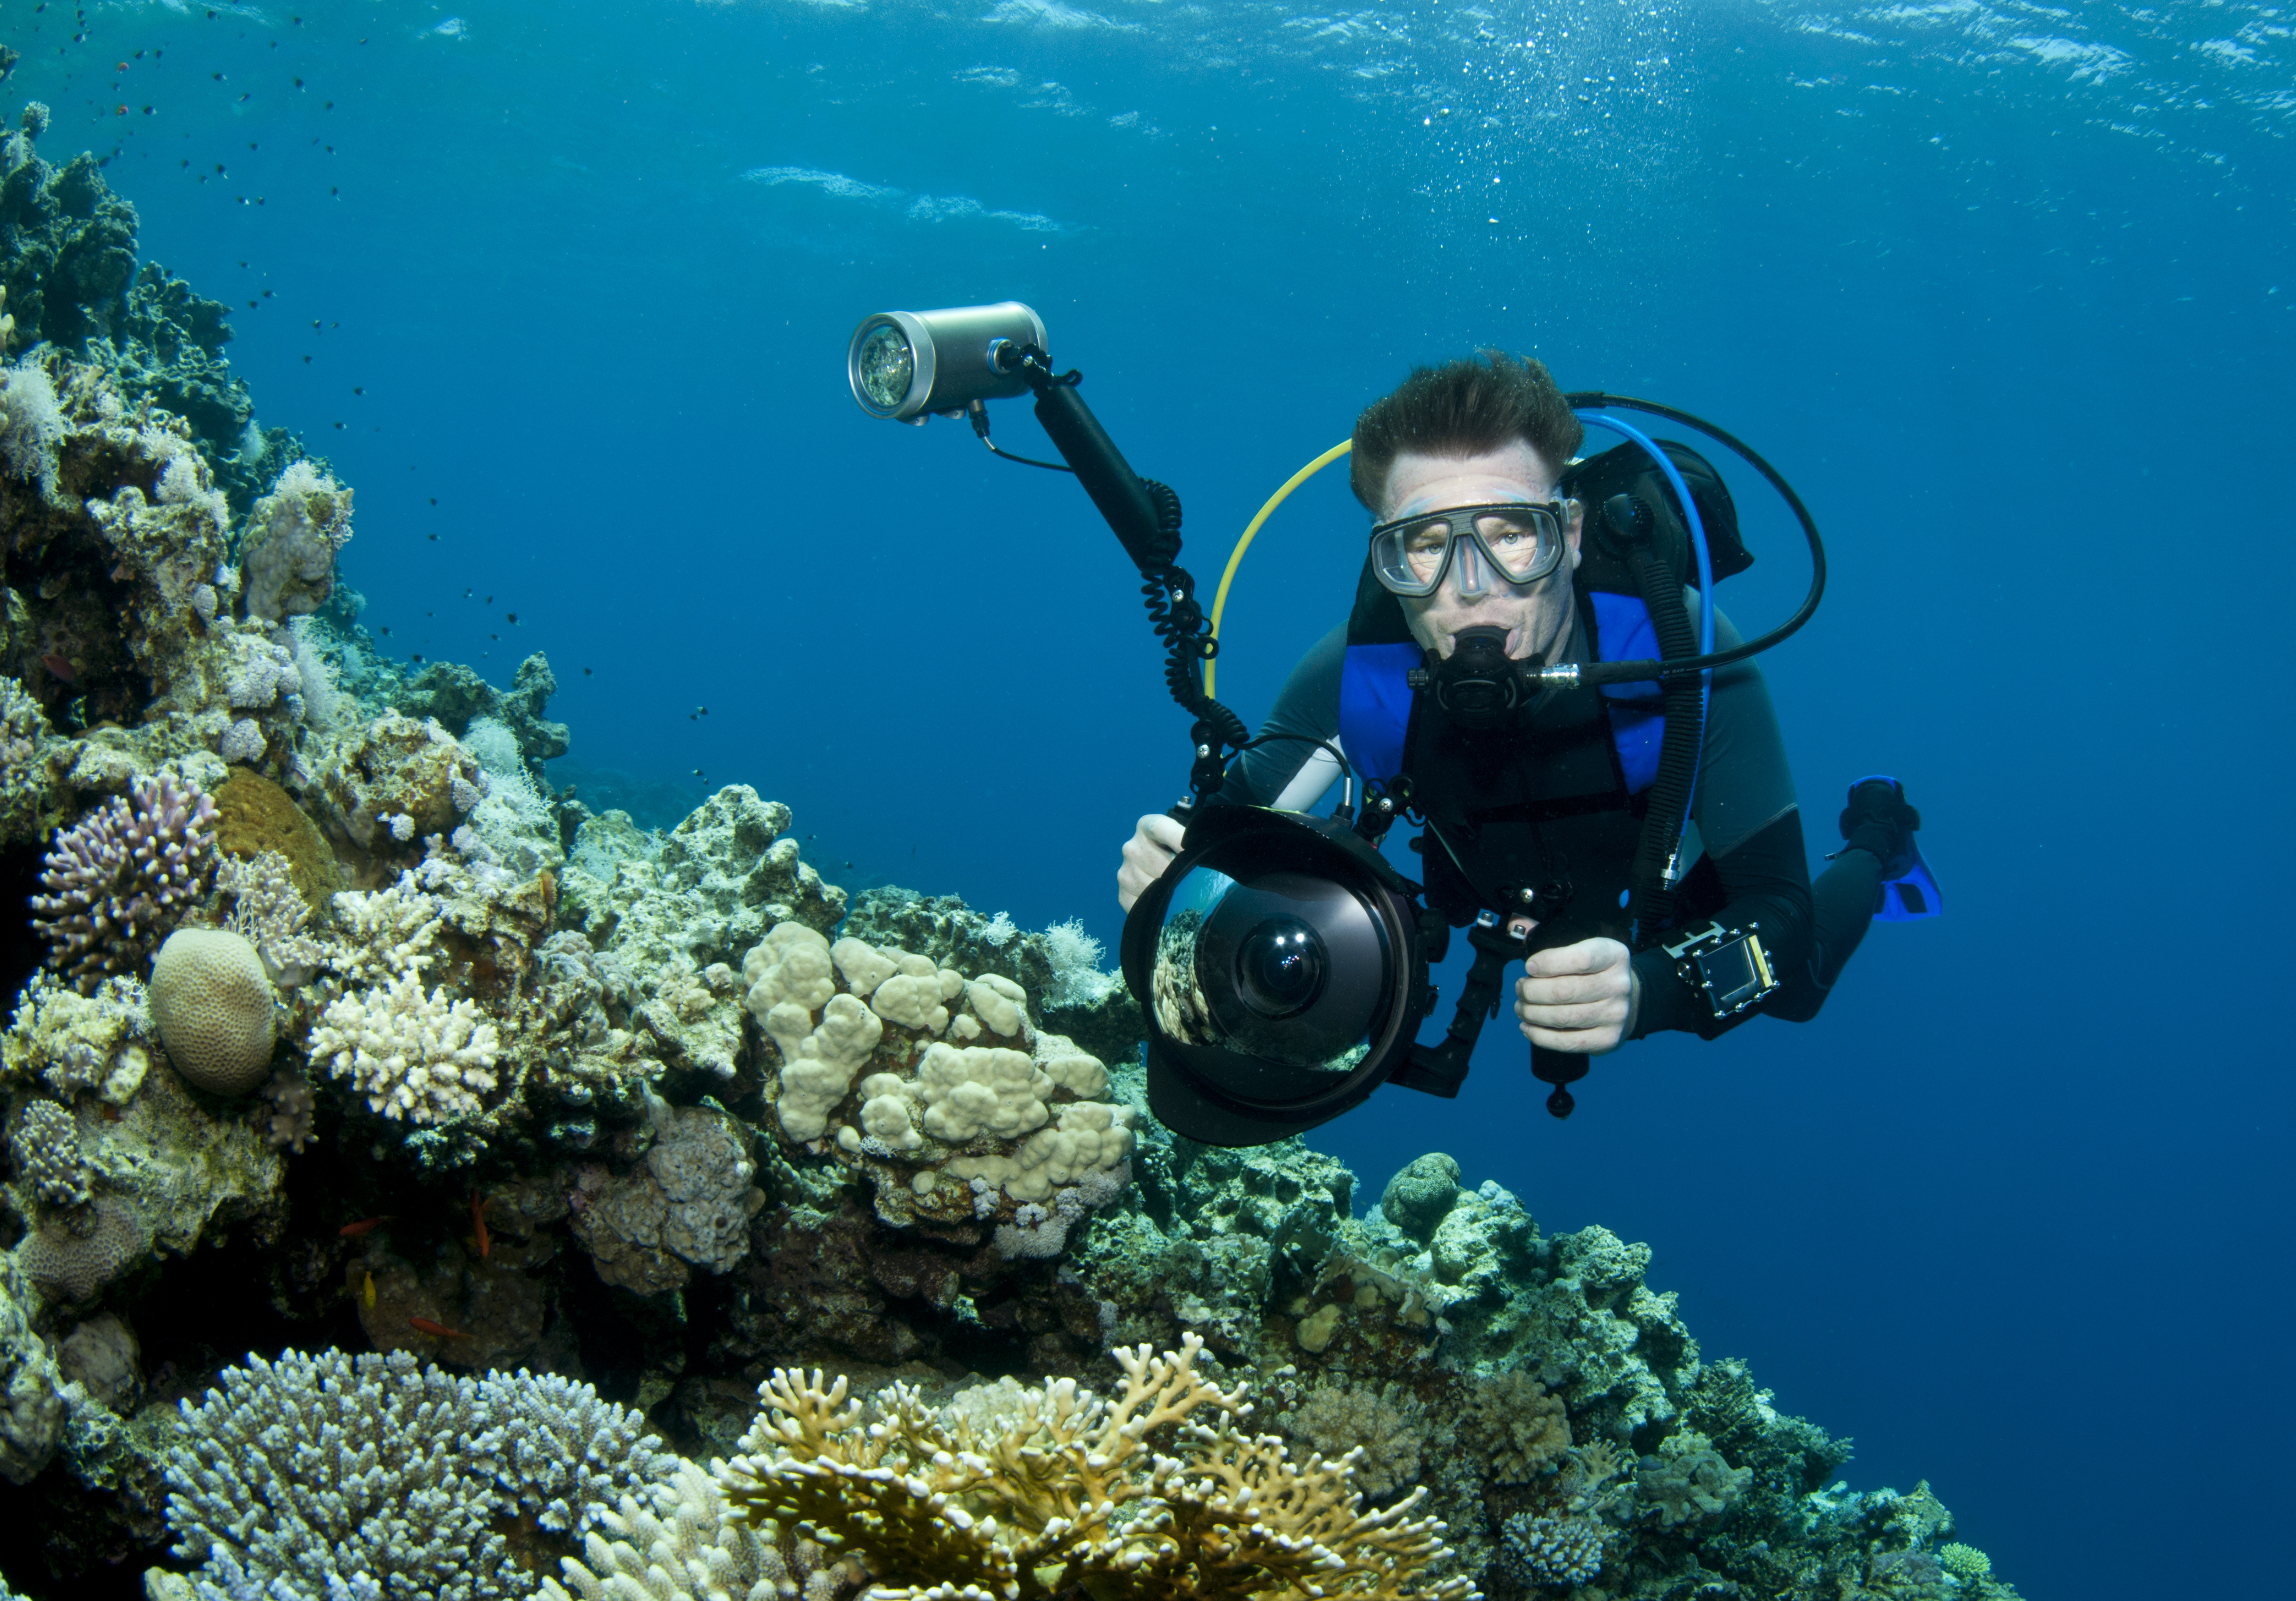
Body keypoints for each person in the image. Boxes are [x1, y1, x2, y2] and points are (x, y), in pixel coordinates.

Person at [1117, 352, 1921, 1063]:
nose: (1472, 591)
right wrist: (1170, 864)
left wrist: (1650, 990)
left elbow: (1777, 909)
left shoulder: (1683, 651)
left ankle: (1880, 838)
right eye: (1426, 545)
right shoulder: (1357, 674)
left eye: (1511, 535)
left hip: (1670, 893)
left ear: (1569, 534)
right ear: (1384, 560)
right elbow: (1226, 828)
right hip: (1492, 892)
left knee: (1800, 987)